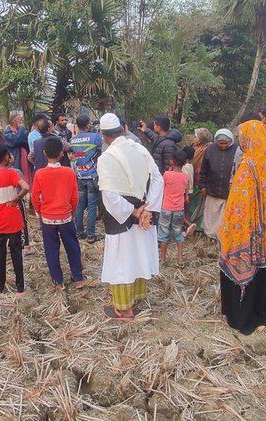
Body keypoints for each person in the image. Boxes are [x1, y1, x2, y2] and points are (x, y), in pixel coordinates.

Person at [218, 119, 266, 335]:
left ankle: (241, 317)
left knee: (243, 272)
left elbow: (238, 205)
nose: (240, 141)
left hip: (247, 232)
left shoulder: (248, 165)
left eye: (242, 136)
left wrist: (227, 231)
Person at [97, 113, 163, 321]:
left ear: (103, 136)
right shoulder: (140, 149)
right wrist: (148, 209)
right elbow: (157, 178)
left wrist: (135, 212)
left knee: (122, 262)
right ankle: (136, 299)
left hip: (123, 219)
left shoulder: (106, 158)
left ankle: (125, 310)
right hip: (143, 215)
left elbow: (108, 194)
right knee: (139, 256)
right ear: (123, 130)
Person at [32, 137, 86, 290]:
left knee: (51, 249)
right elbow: (75, 197)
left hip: (48, 217)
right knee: (72, 246)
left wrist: (39, 211)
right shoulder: (68, 172)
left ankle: (58, 281)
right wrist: (72, 210)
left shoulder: (40, 174)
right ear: (62, 154)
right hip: (65, 215)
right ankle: (78, 278)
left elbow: (35, 197)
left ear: (44, 153)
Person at [0, 143, 30, 298]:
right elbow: (26, 187)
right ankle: (20, 288)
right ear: (6, 157)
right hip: (14, 219)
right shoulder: (11, 174)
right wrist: (16, 199)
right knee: (16, 253)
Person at [199, 128, 239, 240]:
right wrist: (202, 185)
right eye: (220, 143)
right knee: (212, 217)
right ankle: (211, 236)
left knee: (227, 218)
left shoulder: (237, 150)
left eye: (225, 143)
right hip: (212, 189)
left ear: (231, 141)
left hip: (230, 192)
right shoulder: (210, 149)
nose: (223, 145)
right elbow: (204, 169)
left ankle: (225, 238)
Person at [70, 115, 103, 242]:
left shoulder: (73, 140)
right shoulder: (95, 137)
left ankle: (79, 232)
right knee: (92, 207)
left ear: (77, 125)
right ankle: (90, 235)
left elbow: (75, 154)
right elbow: (101, 149)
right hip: (93, 176)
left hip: (80, 176)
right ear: (88, 124)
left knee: (79, 206)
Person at [158, 150, 189, 267]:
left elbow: (161, 188)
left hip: (166, 208)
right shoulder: (185, 177)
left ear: (172, 161)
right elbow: (185, 193)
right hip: (179, 209)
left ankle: (163, 260)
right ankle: (180, 260)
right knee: (178, 234)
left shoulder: (166, 175)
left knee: (164, 235)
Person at [186, 128, 212, 235]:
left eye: (196, 136)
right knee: (192, 204)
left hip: (200, 181)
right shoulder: (195, 148)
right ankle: (191, 224)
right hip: (192, 180)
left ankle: (198, 228)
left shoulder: (207, 149)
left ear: (202, 139)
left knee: (199, 204)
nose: (194, 138)